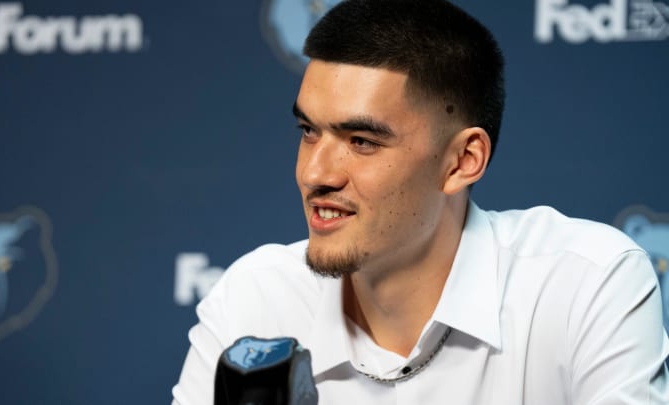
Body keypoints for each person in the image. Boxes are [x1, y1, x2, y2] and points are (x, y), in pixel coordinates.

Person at [172, 0, 669, 403]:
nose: (313, 173)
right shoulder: (254, 299)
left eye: (362, 141)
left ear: (462, 161)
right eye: (308, 131)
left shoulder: (585, 283)